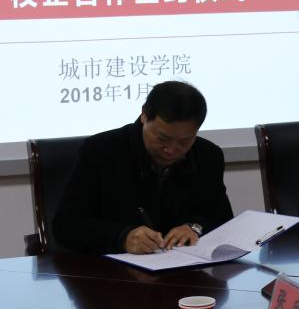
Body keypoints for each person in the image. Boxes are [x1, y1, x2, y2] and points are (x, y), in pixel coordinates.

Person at [53, 81, 234, 255]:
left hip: (184, 268)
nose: (171, 150)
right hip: (113, 270)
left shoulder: (207, 155)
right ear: (144, 116)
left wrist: (194, 228)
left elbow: (224, 222)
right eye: (162, 138)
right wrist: (122, 237)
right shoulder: (101, 150)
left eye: (184, 142)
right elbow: (66, 226)